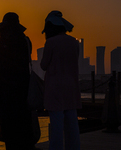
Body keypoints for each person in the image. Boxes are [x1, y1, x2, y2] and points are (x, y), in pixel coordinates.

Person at [0, 12, 40, 150]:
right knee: (22, 118)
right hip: (23, 86)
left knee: (8, 122)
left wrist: (0, 43)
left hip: (6, 88)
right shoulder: (26, 40)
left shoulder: (6, 41)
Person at [40, 10, 82, 150]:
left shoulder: (50, 42)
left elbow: (44, 65)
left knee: (57, 124)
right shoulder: (74, 42)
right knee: (72, 123)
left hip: (55, 88)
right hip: (72, 86)